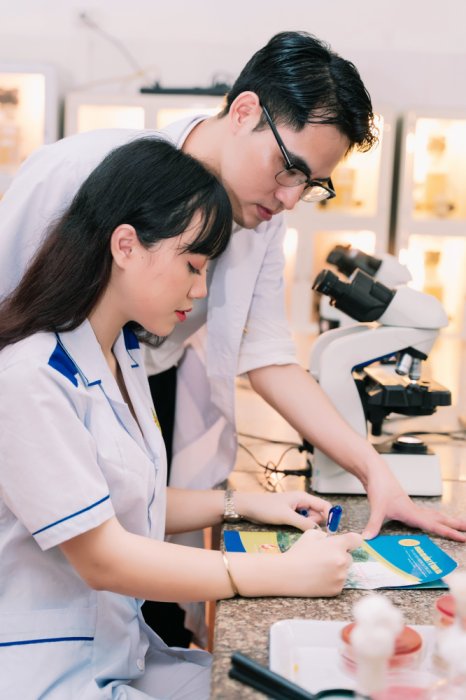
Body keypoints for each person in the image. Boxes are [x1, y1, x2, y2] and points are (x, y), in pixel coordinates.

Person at [0, 31, 465, 647]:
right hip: (33, 407)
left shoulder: (244, 233)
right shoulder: (82, 172)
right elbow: (16, 320)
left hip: (132, 384)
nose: (291, 198)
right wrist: (274, 573)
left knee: (144, 605)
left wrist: (372, 471)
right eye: (289, 169)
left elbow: (265, 352)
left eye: (311, 184)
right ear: (245, 111)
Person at [0, 137, 362, 700]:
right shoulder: (31, 377)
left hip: (116, 653)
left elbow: (121, 499)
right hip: (45, 673)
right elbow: (102, 556)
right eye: (192, 265)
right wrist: (279, 574)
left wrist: (244, 504)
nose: (200, 289)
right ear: (126, 245)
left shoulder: (119, 354)